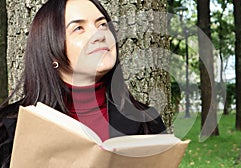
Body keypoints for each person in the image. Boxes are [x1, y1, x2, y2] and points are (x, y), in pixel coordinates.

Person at [0, 0, 166, 167]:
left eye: (102, 25)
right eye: (78, 28)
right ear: (51, 53)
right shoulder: (8, 128)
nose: (99, 35)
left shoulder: (147, 122)